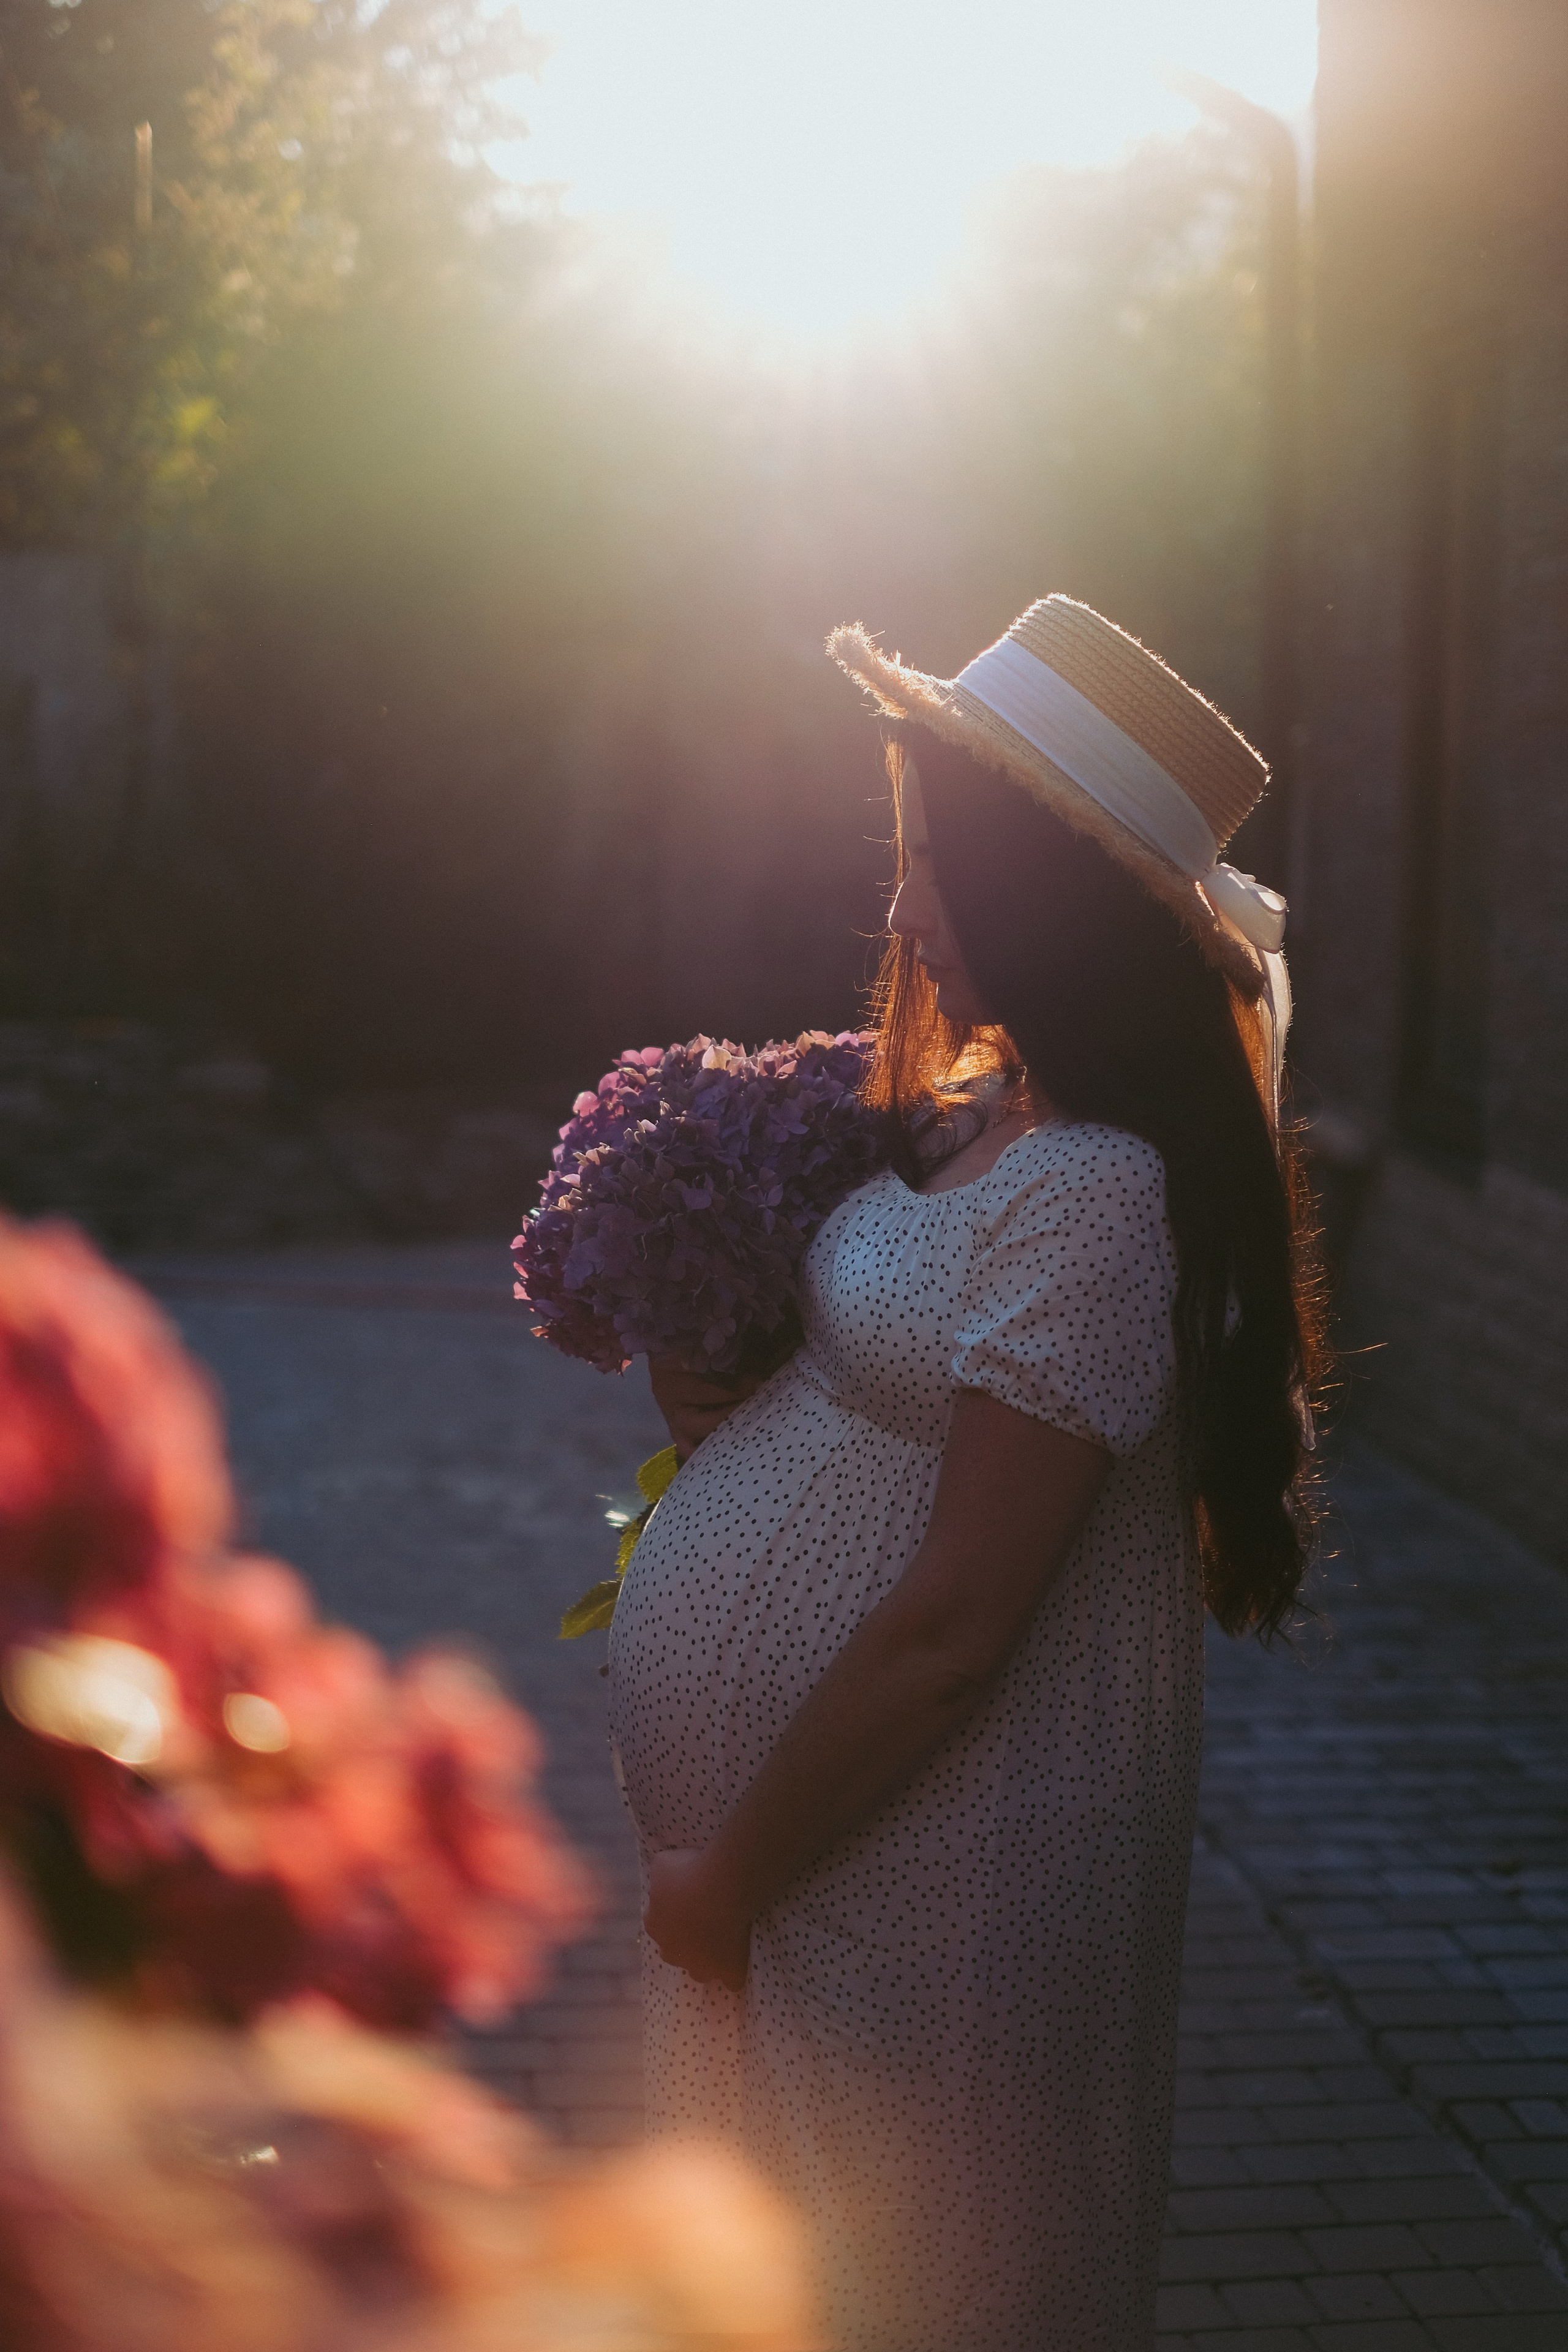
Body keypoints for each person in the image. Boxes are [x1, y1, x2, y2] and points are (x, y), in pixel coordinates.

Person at [606, 595, 1324, 2352]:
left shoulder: (1100, 1195)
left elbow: (954, 1630)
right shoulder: (1002, 1114)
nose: (906, 909)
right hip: (846, 1875)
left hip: (931, 1875)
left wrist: (732, 1874)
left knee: (913, 2289)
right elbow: (901, 1386)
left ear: (1048, 901)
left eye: (937, 864)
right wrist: (741, 1398)